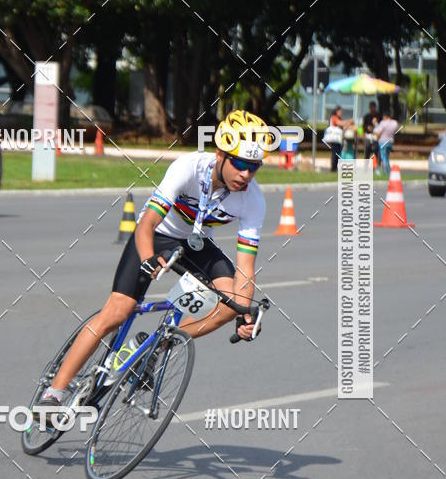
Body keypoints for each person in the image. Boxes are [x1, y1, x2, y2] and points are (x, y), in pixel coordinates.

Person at [38, 110, 270, 410]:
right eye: (240, 164)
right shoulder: (188, 168)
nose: (246, 175)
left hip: (196, 243)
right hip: (156, 235)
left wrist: (244, 314)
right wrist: (148, 259)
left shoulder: (253, 199)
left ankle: (156, 345)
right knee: (118, 311)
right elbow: (147, 223)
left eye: (254, 167)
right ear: (220, 154)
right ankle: (54, 394)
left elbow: (246, 268)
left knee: (230, 303)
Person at [323, 107, 353, 171]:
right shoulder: (334, 117)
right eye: (340, 111)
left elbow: (343, 127)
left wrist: (349, 124)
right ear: (336, 111)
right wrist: (349, 121)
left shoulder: (339, 118)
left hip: (338, 139)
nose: (341, 113)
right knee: (335, 152)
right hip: (334, 139)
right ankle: (333, 167)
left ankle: (335, 167)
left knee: (337, 152)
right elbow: (340, 123)